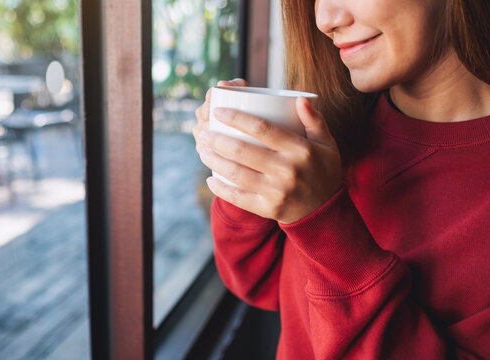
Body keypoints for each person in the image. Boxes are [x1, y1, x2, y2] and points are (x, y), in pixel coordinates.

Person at [192, 0, 490, 358]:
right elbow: (260, 282)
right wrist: (246, 167)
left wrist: (322, 224)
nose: (324, 20)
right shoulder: (334, 126)